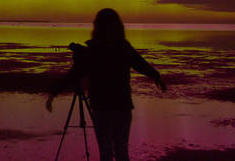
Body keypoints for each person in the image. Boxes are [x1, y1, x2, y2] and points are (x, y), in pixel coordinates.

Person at [46, 8, 166, 161]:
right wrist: (156, 77)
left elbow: (73, 75)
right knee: (120, 152)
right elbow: (140, 64)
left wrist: (53, 93)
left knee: (107, 152)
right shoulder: (121, 47)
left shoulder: (96, 50)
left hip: (104, 107)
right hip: (120, 106)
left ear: (97, 26)